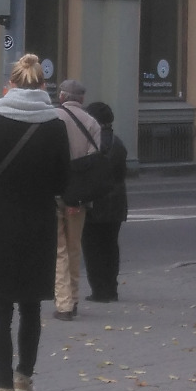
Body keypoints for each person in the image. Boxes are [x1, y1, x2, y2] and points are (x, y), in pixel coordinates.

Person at [0, 54, 70, 391]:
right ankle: (24, 379)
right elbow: (62, 182)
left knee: (0, 310)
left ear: (10, 84)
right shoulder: (54, 126)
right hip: (38, 224)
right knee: (31, 306)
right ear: (42, 85)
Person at [52, 79, 101, 321]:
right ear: (81, 99)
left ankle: (63, 304)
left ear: (62, 96)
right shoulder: (92, 123)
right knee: (73, 248)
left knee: (59, 249)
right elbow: (93, 162)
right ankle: (74, 299)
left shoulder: (52, 117)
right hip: (78, 196)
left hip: (54, 191)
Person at [81, 101, 129, 302]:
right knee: (110, 246)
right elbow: (122, 174)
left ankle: (99, 290)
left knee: (92, 248)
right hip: (116, 202)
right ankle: (111, 288)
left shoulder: (90, 142)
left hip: (94, 202)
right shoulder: (118, 143)